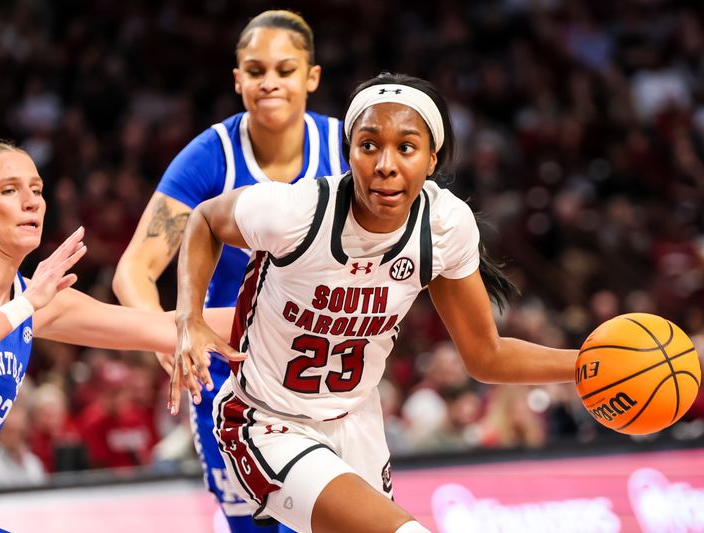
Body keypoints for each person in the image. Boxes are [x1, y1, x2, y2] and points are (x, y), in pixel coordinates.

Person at [170, 73, 579, 533]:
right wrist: (191, 316)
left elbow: (487, 355)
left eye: (406, 148)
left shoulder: (444, 227)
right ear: (350, 153)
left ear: (431, 160)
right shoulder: (297, 212)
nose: (385, 164)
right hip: (267, 422)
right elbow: (204, 220)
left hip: (356, 422)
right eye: (368, 146)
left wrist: (588, 366)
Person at [112, 10, 345, 532]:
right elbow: (134, 270)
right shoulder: (209, 156)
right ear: (237, 79)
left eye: (285, 70)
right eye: (255, 70)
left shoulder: (346, 150)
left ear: (311, 77)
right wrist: (168, 338)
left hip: (318, 367)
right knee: (254, 525)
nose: (270, 82)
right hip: (229, 374)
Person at [0, 141, 238, 533]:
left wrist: (284, 309)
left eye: (37, 190)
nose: (31, 202)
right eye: (10, 190)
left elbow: (168, 326)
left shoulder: (37, 299)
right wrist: (23, 307)